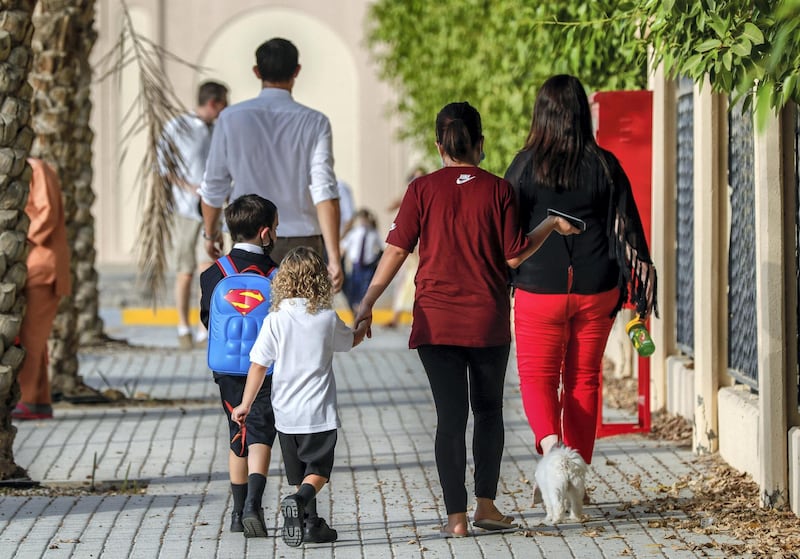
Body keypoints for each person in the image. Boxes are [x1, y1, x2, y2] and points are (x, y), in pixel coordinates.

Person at [353, 102, 578, 537]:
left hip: (436, 323)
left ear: (439, 145)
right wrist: (550, 224)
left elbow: (397, 250)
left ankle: (456, 518)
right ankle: (485, 506)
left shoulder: (421, 189)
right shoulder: (498, 190)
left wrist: (367, 303)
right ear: (481, 145)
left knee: (450, 418)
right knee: (489, 411)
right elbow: (514, 253)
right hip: (486, 321)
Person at [504, 74, 658, 467]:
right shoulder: (605, 165)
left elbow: (505, 230)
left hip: (539, 288)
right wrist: (641, 285)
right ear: (581, 114)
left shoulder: (524, 166)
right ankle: (576, 471)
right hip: (597, 285)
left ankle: (553, 452)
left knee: (538, 377)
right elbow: (628, 229)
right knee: (584, 380)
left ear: (541, 115)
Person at [232, 247, 367, 547]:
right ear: (320, 280)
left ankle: (311, 524)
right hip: (318, 414)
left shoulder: (275, 319)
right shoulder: (326, 318)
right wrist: (362, 326)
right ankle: (298, 500)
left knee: (299, 472)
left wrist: (245, 404)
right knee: (317, 473)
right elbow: (349, 342)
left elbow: (258, 365)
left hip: (285, 415)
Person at [200, 37, 343, 292]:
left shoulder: (230, 118)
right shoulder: (315, 122)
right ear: (297, 71)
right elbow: (324, 190)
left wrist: (211, 234)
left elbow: (213, 185)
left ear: (257, 72)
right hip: (302, 243)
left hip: (248, 240)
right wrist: (334, 256)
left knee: (251, 323)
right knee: (301, 325)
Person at [198, 194, 280, 538]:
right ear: (265, 234)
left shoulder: (213, 274)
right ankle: (254, 505)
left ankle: (236, 512)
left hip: (228, 368)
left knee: (237, 431)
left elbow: (208, 318)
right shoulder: (278, 273)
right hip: (266, 367)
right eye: (276, 228)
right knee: (262, 431)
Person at [158, 80, 228, 350]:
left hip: (213, 212)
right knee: (185, 271)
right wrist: (190, 188)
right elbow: (163, 165)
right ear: (212, 103)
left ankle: (203, 331)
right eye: (223, 103)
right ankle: (182, 327)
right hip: (186, 211)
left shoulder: (220, 129)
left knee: (207, 269)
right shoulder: (178, 127)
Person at [12, 158, 72, 421]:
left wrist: (18, 241)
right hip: (29, 265)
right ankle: (38, 402)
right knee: (34, 338)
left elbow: (46, 213)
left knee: (30, 338)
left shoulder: (36, 168)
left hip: (42, 266)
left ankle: (25, 400)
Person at [384, 167, 425, 328]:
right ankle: (398, 316)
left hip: (419, 248)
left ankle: (416, 317)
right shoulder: (410, 196)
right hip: (411, 248)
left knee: (415, 283)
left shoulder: (427, 194)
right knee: (404, 283)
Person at [340, 208, 383, 313]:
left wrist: (377, 261)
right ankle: (356, 309)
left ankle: (362, 309)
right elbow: (343, 247)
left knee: (365, 289)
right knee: (354, 289)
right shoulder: (354, 233)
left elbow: (382, 247)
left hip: (368, 266)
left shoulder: (373, 233)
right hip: (356, 266)